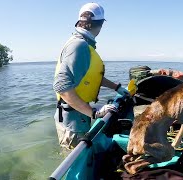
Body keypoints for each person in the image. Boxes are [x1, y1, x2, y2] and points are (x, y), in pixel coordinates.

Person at [53, 2, 129, 150]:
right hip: (72, 121)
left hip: (80, 113)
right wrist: (95, 112)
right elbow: (62, 86)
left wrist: (117, 88)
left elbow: (92, 77)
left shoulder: (84, 44)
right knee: (73, 160)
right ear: (100, 25)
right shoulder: (79, 45)